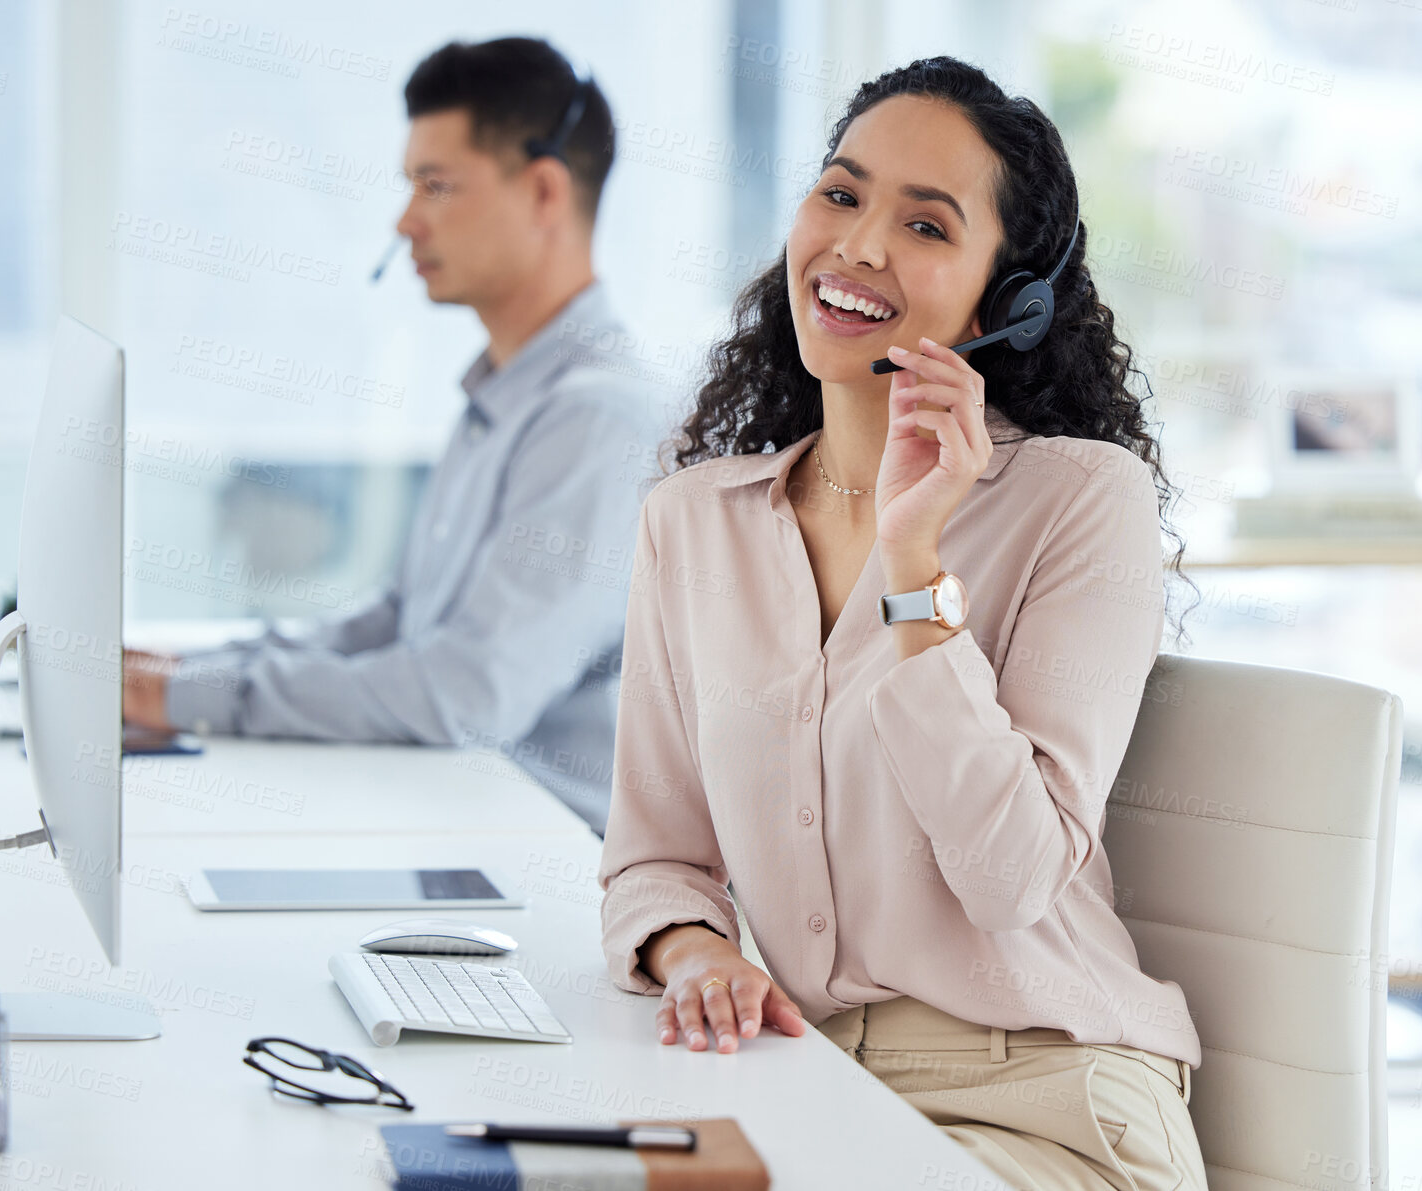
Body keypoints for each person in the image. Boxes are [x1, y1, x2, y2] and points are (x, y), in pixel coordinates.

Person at [596, 56, 1209, 1189]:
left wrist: (912, 557)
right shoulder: (692, 523)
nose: (859, 245)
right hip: (803, 1089)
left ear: (1003, 301)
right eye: (840, 194)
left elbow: (1011, 882)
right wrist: (694, 952)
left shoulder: (1080, 500)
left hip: (1045, 1099)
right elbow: (655, 858)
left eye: (924, 225)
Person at [124, 38, 663, 835]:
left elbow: (463, 694)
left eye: (436, 185)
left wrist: (180, 698)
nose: (405, 221)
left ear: (545, 191)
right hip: (451, 810)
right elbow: (398, 621)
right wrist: (193, 670)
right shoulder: (508, 393)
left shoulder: (596, 418)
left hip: (540, 859)